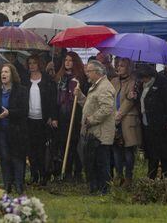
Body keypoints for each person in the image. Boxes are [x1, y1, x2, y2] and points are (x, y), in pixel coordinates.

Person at [75, 60, 115, 194]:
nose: (87, 73)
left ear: (97, 72)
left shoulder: (105, 87)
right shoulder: (95, 86)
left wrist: (91, 120)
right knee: (92, 162)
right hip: (93, 133)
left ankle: (104, 189)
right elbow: (90, 104)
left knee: (101, 163)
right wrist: (80, 96)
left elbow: (106, 109)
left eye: (89, 71)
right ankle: (95, 188)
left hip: (100, 134)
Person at [0, 63, 28, 195]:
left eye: (6, 72)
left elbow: (24, 111)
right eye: (2, 72)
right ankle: (7, 184)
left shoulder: (21, 90)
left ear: (12, 74)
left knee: (17, 157)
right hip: (1, 131)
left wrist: (9, 113)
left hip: (16, 130)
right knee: (4, 158)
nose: (3, 74)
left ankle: (19, 185)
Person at [134, 65, 167, 179]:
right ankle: (151, 179)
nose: (142, 81)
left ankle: (165, 179)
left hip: (162, 125)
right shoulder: (142, 85)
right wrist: (135, 97)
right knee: (152, 154)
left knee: (164, 154)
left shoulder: (163, 83)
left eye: (143, 78)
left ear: (149, 76)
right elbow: (142, 101)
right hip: (148, 124)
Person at [23, 55, 57, 186]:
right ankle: (33, 174)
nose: (32, 65)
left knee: (42, 149)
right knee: (31, 149)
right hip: (29, 119)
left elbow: (53, 100)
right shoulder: (25, 80)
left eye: (34, 63)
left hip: (43, 120)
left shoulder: (47, 80)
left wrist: (52, 117)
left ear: (39, 64)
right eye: (30, 63)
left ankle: (44, 174)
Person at [54, 52, 87, 182]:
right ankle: (65, 171)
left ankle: (77, 173)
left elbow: (84, 98)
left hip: (76, 115)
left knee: (75, 144)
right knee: (63, 144)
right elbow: (55, 99)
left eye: (71, 60)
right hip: (62, 115)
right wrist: (54, 117)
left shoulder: (80, 78)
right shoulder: (60, 78)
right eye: (66, 60)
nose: (67, 62)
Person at [110, 58, 142, 187]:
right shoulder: (113, 81)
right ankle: (119, 175)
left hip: (127, 120)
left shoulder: (134, 82)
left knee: (128, 152)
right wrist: (113, 115)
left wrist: (119, 115)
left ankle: (129, 177)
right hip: (114, 120)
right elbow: (110, 97)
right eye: (118, 65)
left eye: (122, 66)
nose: (119, 67)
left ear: (129, 67)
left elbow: (130, 101)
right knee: (116, 150)